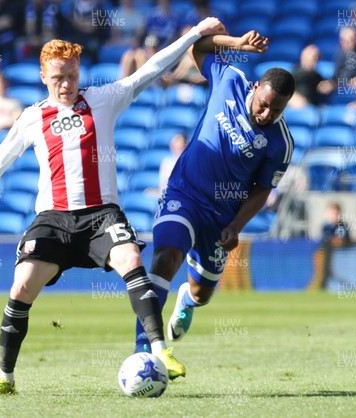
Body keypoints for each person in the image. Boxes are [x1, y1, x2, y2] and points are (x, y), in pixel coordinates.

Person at [0, 17, 226, 395]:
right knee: (20, 286)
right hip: (53, 219)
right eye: (57, 78)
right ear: (42, 77)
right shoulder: (33, 118)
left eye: (71, 75)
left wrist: (195, 34)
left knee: (132, 262)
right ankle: (5, 378)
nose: (66, 84)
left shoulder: (102, 99)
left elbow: (152, 68)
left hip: (101, 213)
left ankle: (159, 351)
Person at [132, 27, 295, 352]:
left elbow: (262, 190)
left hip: (222, 218)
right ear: (256, 87)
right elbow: (196, 49)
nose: (266, 114)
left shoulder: (280, 143)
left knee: (201, 293)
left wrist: (236, 226)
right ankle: (144, 349)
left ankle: (187, 303)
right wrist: (235, 43)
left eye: (276, 110)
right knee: (165, 258)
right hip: (185, 194)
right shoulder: (230, 79)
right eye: (263, 105)